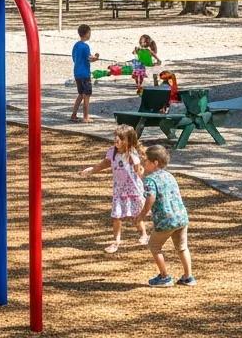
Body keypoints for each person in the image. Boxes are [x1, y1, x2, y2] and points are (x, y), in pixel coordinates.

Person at [80, 124, 148, 253]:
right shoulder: (112, 151)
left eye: (121, 138)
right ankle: (116, 241)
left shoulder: (132, 153)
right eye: (116, 137)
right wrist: (92, 170)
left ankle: (143, 234)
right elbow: (105, 163)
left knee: (136, 215)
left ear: (129, 140)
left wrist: (140, 169)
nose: (117, 139)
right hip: (119, 190)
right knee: (116, 216)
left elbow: (139, 172)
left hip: (134, 190)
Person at [137, 145, 194, 287]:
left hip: (165, 220)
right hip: (181, 217)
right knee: (182, 247)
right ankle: (188, 277)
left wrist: (141, 215)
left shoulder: (150, 180)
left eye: (146, 161)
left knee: (154, 246)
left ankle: (164, 277)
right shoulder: (169, 175)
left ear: (155, 162)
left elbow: (150, 198)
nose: (144, 163)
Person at [71, 23, 99, 123]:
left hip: (77, 73)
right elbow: (90, 58)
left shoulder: (76, 45)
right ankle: (86, 116)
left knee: (80, 94)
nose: (90, 34)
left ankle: (73, 114)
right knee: (87, 95)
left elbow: (74, 57)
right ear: (86, 34)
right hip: (85, 74)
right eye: (89, 33)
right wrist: (96, 58)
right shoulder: (85, 46)